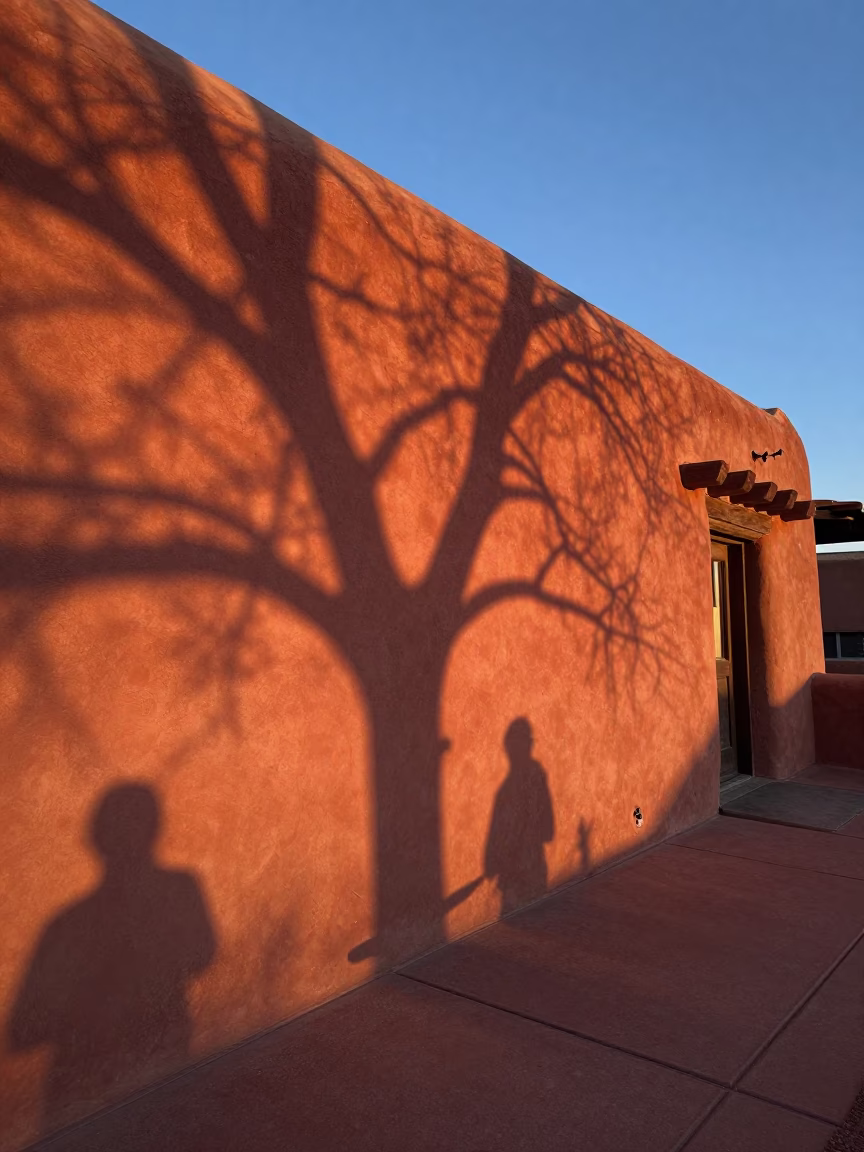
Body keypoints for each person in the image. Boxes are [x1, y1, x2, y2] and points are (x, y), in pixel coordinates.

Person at [9, 783, 216, 1130]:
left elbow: (201, 953)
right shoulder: (71, 926)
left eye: (133, 824)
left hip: (135, 1096)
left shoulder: (70, 925)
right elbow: (23, 1029)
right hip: (92, 1103)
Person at [484, 717, 555, 915]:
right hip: (517, 869)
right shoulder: (507, 789)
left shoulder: (533, 779)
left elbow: (545, 825)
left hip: (526, 867)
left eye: (518, 744)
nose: (511, 751)